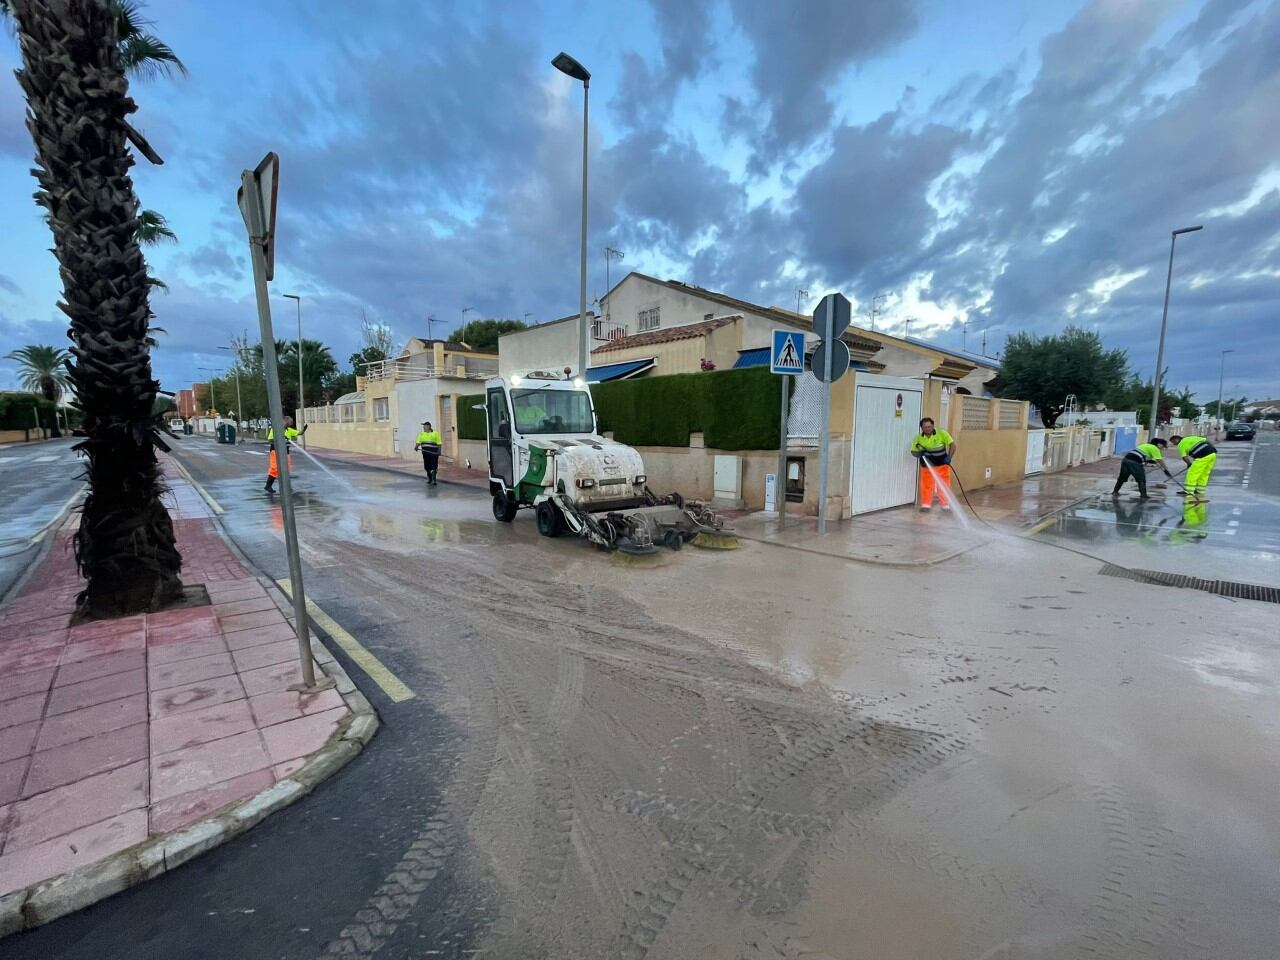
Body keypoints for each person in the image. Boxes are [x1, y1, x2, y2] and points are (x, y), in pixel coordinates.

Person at [910, 417, 956, 512]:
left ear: (933, 426)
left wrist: (949, 457)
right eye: (925, 427)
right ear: (922, 428)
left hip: (942, 465)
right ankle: (926, 505)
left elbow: (953, 445)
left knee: (944, 485)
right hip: (927, 467)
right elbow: (913, 452)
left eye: (929, 426)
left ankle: (945, 505)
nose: (928, 429)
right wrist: (918, 453)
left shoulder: (942, 433)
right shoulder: (918, 438)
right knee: (926, 485)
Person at [1169, 434, 1217, 503]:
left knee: (1193, 473)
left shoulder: (1181, 444)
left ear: (1176, 439)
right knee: (1204, 474)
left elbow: (1184, 457)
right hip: (1212, 454)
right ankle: (1200, 490)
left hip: (1202, 456)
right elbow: (1205, 440)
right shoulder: (1190, 438)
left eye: (1173, 442)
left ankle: (1188, 490)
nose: (1173, 444)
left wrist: (1189, 464)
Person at [263, 416, 306, 493]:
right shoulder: (275, 429)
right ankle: (268, 485)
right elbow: (270, 439)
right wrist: (280, 439)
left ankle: (286, 487)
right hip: (275, 451)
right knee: (275, 468)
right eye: (289, 423)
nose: (289, 425)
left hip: (286, 452)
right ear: (285, 422)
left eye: (290, 424)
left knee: (286, 469)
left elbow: (299, 433)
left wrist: (304, 429)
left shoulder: (289, 430)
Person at [414, 420, 443, 485]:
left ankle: (433, 479)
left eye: (424, 426)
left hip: (433, 453)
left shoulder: (435, 433)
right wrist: (416, 447)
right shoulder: (421, 434)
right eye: (423, 426)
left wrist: (439, 451)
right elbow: (418, 442)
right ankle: (429, 477)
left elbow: (439, 443)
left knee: (434, 466)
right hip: (425, 453)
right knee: (427, 466)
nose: (423, 427)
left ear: (429, 427)